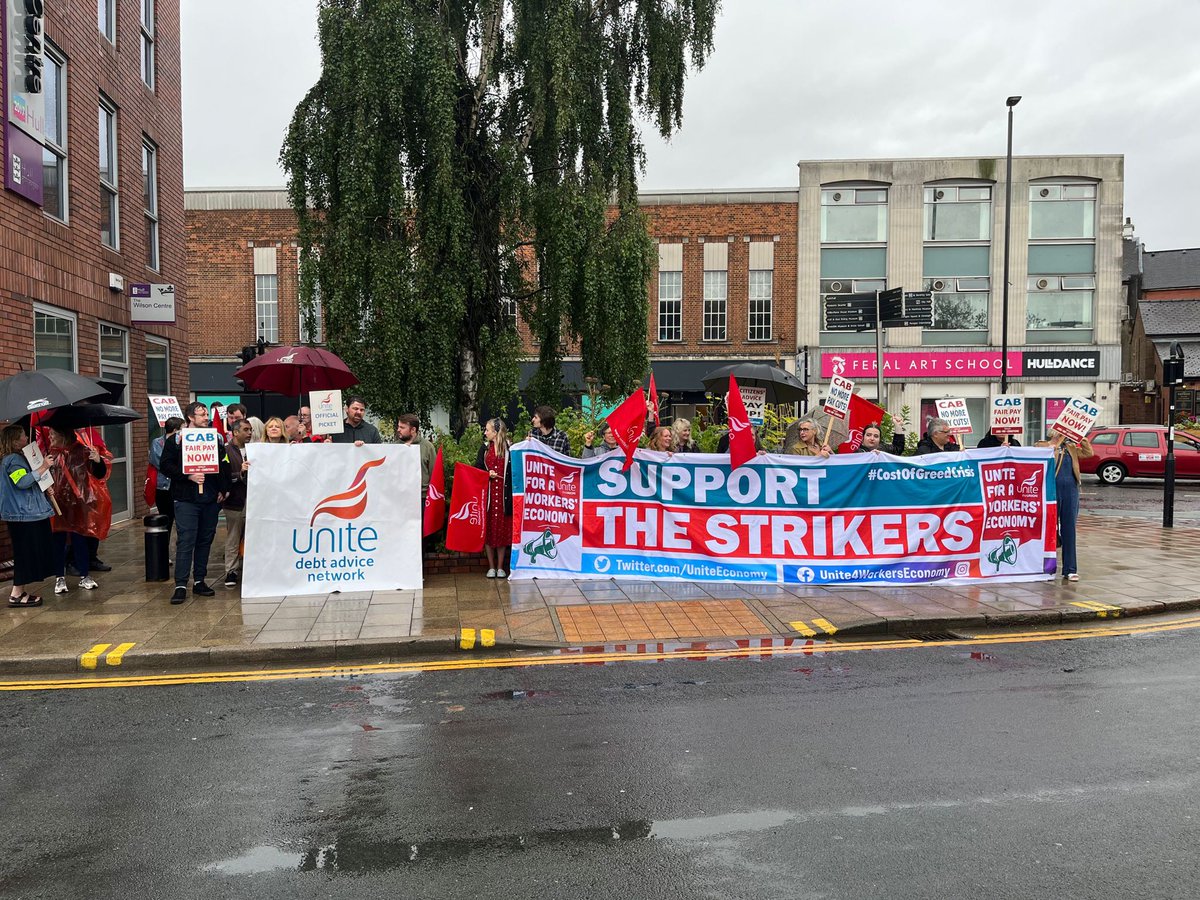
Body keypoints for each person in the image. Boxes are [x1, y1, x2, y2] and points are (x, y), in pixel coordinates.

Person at [158, 401, 232, 604]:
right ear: (191, 417)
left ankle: (200, 580)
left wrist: (223, 488)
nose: (206, 417)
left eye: (206, 414)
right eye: (201, 414)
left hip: (210, 498)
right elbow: (165, 465)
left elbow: (224, 463)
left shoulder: (215, 438)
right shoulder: (177, 440)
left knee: (205, 539)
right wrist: (187, 475)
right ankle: (181, 584)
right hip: (186, 497)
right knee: (186, 539)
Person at [46, 426, 109, 593]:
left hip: (78, 503)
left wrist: (97, 460)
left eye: (53, 433)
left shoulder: (81, 451)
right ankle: (59, 577)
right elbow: (43, 477)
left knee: (80, 539)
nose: (50, 436)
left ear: (63, 435)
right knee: (58, 540)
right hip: (57, 504)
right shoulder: (49, 454)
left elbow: (99, 474)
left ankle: (84, 575)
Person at [0, 425, 55, 607]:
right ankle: (16, 594)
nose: (26, 437)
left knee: (27, 553)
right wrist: (43, 467)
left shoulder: (17, 458)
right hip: (23, 515)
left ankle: (20, 591)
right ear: (16, 441)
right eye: (23, 435)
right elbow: (22, 482)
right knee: (24, 554)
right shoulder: (13, 460)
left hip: (27, 514)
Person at [1037, 431, 1094, 582]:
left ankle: (1070, 569)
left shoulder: (1071, 447)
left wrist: (1081, 438)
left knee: (1069, 529)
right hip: (1052, 490)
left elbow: (1088, 453)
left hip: (1071, 489)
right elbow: (1045, 457)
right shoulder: (1043, 445)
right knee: (1048, 529)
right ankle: (1044, 567)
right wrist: (1054, 444)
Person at [475, 418, 513, 579]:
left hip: (504, 498)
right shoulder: (484, 449)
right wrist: (486, 474)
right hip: (489, 496)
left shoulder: (510, 448)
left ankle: (500, 567)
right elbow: (476, 469)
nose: (485, 432)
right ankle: (491, 567)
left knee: (503, 531)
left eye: (487, 430)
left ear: (496, 432)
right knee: (489, 531)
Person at [222, 418, 252, 588]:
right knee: (233, 537)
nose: (249, 433)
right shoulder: (225, 450)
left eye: (250, 430)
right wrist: (239, 473)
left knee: (251, 537)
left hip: (253, 500)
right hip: (234, 500)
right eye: (246, 430)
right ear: (235, 432)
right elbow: (223, 476)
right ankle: (231, 571)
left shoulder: (255, 449)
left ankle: (249, 568)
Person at [148, 416, 184, 561]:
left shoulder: (183, 442)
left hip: (178, 485)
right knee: (166, 521)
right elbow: (160, 462)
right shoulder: (158, 442)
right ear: (176, 430)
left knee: (181, 522)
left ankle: (181, 552)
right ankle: (164, 554)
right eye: (182, 428)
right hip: (163, 487)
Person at [394, 413, 436, 498]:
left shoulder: (427, 447)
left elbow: (434, 473)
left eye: (402, 427)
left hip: (422, 496)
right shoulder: (395, 446)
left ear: (413, 429)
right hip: (400, 496)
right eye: (398, 426)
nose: (398, 430)